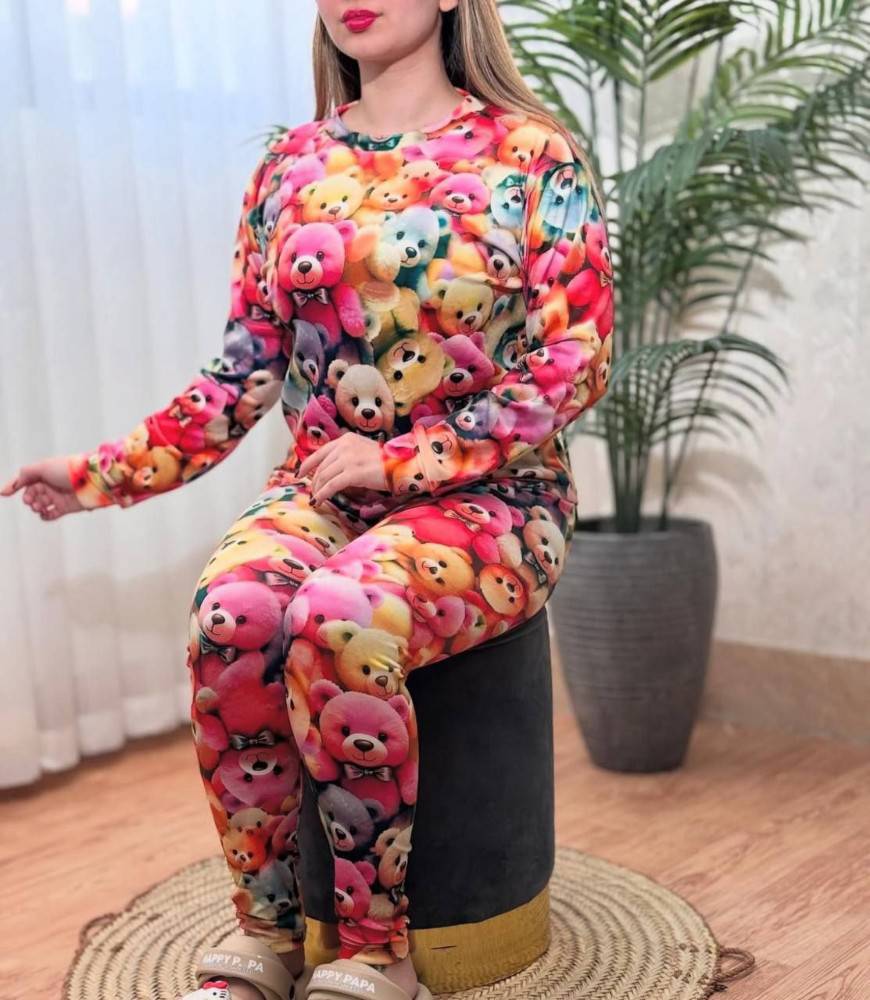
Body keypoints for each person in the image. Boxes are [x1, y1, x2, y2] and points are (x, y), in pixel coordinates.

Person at [2, 1, 614, 998]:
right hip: (325, 491)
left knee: (340, 615)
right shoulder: (290, 165)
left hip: (498, 497)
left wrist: (406, 458)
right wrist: (96, 473)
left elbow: (574, 360)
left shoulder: (532, 153)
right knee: (231, 613)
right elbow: (238, 377)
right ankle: (271, 931)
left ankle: (376, 952)